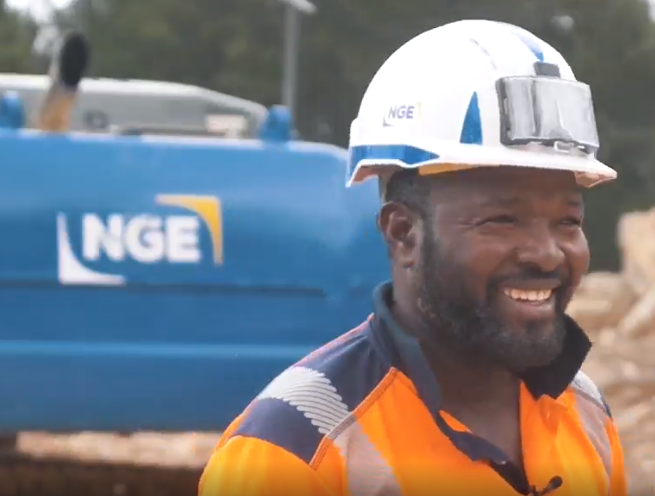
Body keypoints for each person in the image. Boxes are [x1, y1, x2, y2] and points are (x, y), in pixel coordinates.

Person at [198, 19, 627, 496]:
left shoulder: (584, 413)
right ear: (403, 233)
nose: (547, 254)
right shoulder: (294, 452)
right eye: (503, 220)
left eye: (568, 221)